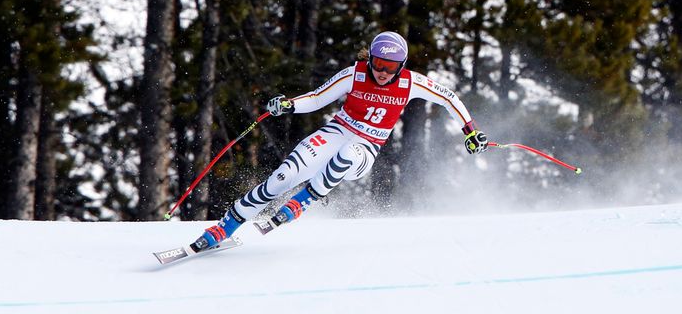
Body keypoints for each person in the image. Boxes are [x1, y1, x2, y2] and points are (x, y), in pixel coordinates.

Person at [190, 31, 488, 251]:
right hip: (337, 131)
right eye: (378, 64)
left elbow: (450, 98)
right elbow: (318, 97)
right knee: (283, 176)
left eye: (390, 67)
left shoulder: (412, 83)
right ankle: (225, 227)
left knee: (347, 153)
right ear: (370, 58)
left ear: (402, 66)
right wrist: (289, 104)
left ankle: (305, 199)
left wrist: (470, 131)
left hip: (366, 148)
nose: (382, 72)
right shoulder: (354, 74)